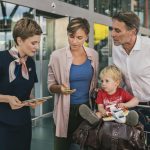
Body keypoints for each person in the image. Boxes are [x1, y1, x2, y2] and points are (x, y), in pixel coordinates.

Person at [47, 17, 99, 150]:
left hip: (87, 110)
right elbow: (50, 86)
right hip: (65, 111)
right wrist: (60, 88)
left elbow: (94, 82)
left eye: (79, 37)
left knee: (85, 146)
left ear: (86, 37)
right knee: (62, 147)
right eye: (71, 36)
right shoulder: (56, 56)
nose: (74, 41)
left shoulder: (93, 55)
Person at [0, 17, 43, 150]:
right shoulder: (1, 59)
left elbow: (28, 91)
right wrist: (7, 98)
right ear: (19, 40)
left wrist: (32, 100)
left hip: (24, 124)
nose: (37, 47)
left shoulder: (30, 62)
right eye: (33, 43)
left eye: (38, 43)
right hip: (3, 125)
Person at [111, 11, 150, 144]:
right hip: (130, 107)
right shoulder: (116, 48)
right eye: (112, 29)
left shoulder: (148, 47)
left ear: (132, 31)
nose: (112, 34)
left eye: (117, 30)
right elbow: (119, 78)